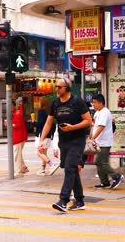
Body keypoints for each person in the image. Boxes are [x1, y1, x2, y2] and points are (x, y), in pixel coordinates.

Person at [38, 78, 92, 212]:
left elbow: (88, 121)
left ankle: (63, 200)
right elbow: (49, 123)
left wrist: (73, 127)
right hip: (64, 142)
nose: (56, 89)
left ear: (67, 88)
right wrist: (41, 140)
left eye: (59, 87)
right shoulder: (55, 103)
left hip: (77, 141)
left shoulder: (77, 102)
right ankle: (80, 200)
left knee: (70, 167)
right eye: (56, 87)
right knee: (71, 169)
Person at [90, 94, 124, 189]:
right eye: (93, 102)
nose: (93, 104)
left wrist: (93, 138)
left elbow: (101, 127)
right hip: (98, 142)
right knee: (98, 162)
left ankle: (116, 176)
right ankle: (104, 182)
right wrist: (91, 136)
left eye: (95, 102)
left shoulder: (105, 112)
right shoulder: (97, 113)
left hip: (104, 142)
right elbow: (94, 126)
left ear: (101, 103)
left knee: (101, 161)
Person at [35, 97, 59, 176]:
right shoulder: (49, 112)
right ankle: (43, 170)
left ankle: (52, 165)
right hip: (48, 135)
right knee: (44, 153)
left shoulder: (41, 111)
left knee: (39, 153)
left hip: (42, 135)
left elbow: (41, 124)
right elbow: (52, 124)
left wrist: (33, 123)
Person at [12, 99, 29, 177]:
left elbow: (17, 125)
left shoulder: (16, 114)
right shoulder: (16, 113)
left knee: (17, 154)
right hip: (20, 137)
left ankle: (18, 171)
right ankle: (23, 167)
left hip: (18, 137)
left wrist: (10, 124)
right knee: (18, 153)